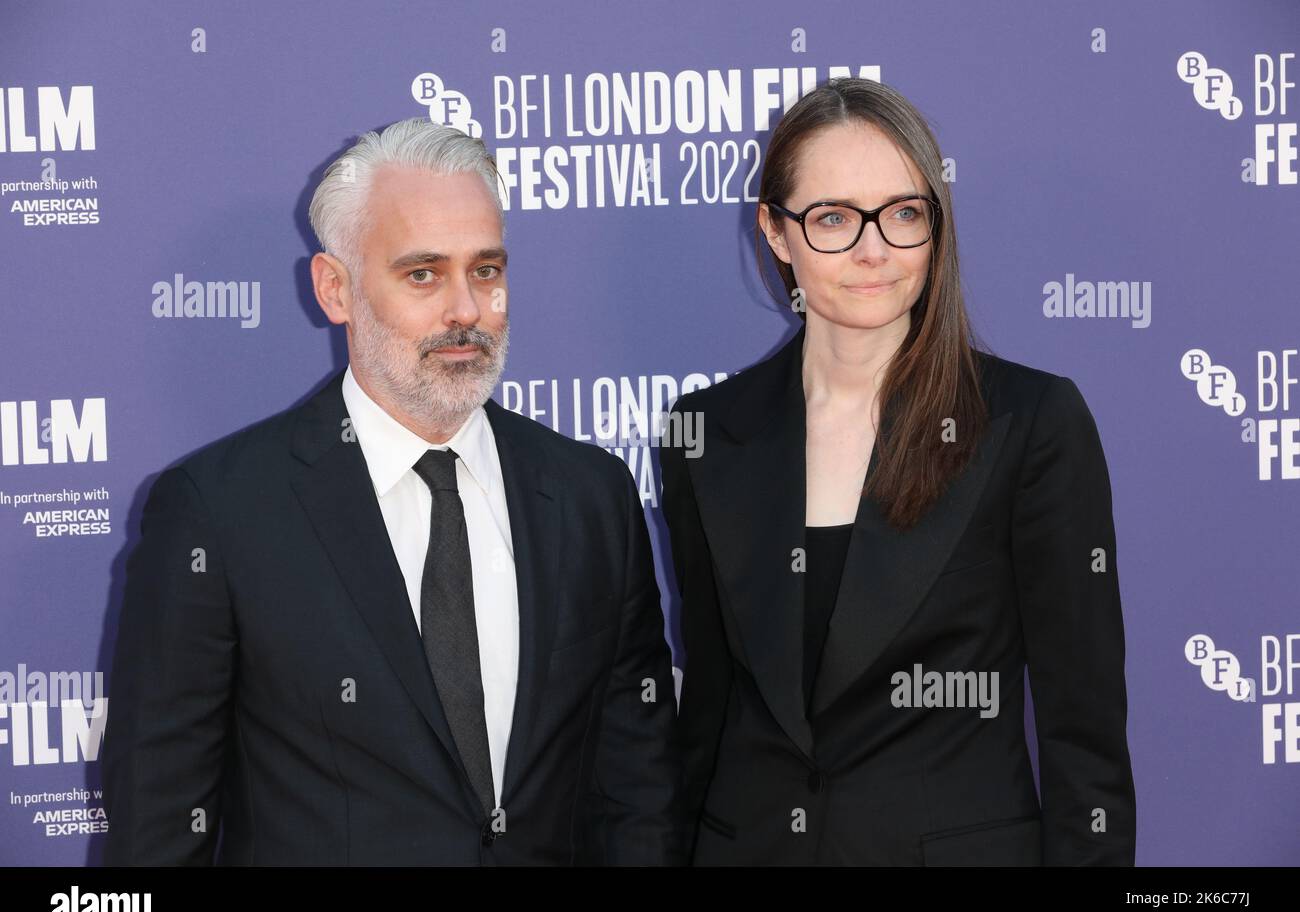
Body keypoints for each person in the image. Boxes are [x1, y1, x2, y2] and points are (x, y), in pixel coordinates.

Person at [102, 118, 683, 865]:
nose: (466, 310)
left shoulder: (589, 495)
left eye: (486, 270)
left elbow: (637, 790)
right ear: (334, 289)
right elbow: (158, 826)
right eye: (422, 274)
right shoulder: (220, 513)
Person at [660, 78, 1136, 866]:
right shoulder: (705, 433)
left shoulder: (1028, 423)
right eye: (834, 219)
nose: (874, 249)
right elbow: (707, 714)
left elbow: (1083, 733)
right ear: (776, 235)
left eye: (903, 214)